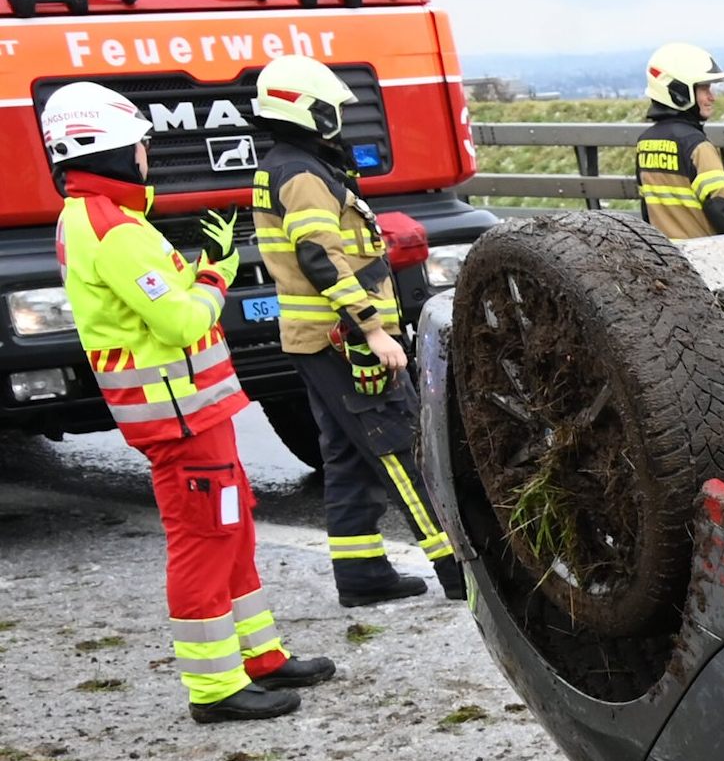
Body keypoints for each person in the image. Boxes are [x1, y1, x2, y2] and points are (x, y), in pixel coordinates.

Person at [45, 81, 332, 725]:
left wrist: (201, 271)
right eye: (139, 143)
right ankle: (216, 688)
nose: (147, 152)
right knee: (204, 538)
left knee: (231, 526)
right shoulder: (114, 231)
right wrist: (215, 276)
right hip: (177, 413)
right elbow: (178, 323)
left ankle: (259, 656)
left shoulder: (100, 220)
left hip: (196, 406)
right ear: (111, 151)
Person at [248, 56, 463, 608]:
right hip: (342, 339)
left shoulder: (290, 167)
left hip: (317, 340)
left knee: (344, 453)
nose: (338, 118)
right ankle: (458, 569)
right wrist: (373, 331)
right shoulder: (300, 175)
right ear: (307, 111)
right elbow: (321, 257)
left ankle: (361, 571)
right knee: (401, 446)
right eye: (331, 109)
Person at [635, 43, 724, 241]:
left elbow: (647, 208)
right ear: (680, 92)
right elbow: (720, 205)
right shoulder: (697, 146)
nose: (712, 97)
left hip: (666, 257)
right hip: (703, 256)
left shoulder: (645, 143)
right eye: (704, 89)